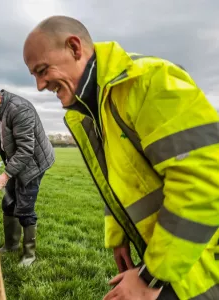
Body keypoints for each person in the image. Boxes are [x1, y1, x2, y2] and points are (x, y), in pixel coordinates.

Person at [23, 15, 219, 299]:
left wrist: (150, 276)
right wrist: (119, 238)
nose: (40, 85)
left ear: (75, 48)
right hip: (172, 253)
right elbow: (115, 179)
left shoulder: (149, 81)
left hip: (199, 256)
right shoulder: (95, 106)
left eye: (42, 71)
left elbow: (203, 184)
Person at [0, 85, 55, 266]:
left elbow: (26, 150)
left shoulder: (19, 110)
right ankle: (11, 245)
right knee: (8, 202)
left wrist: (6, 175)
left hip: (33, 163)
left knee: (24, 208)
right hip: (16, 160)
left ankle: (29, 255)